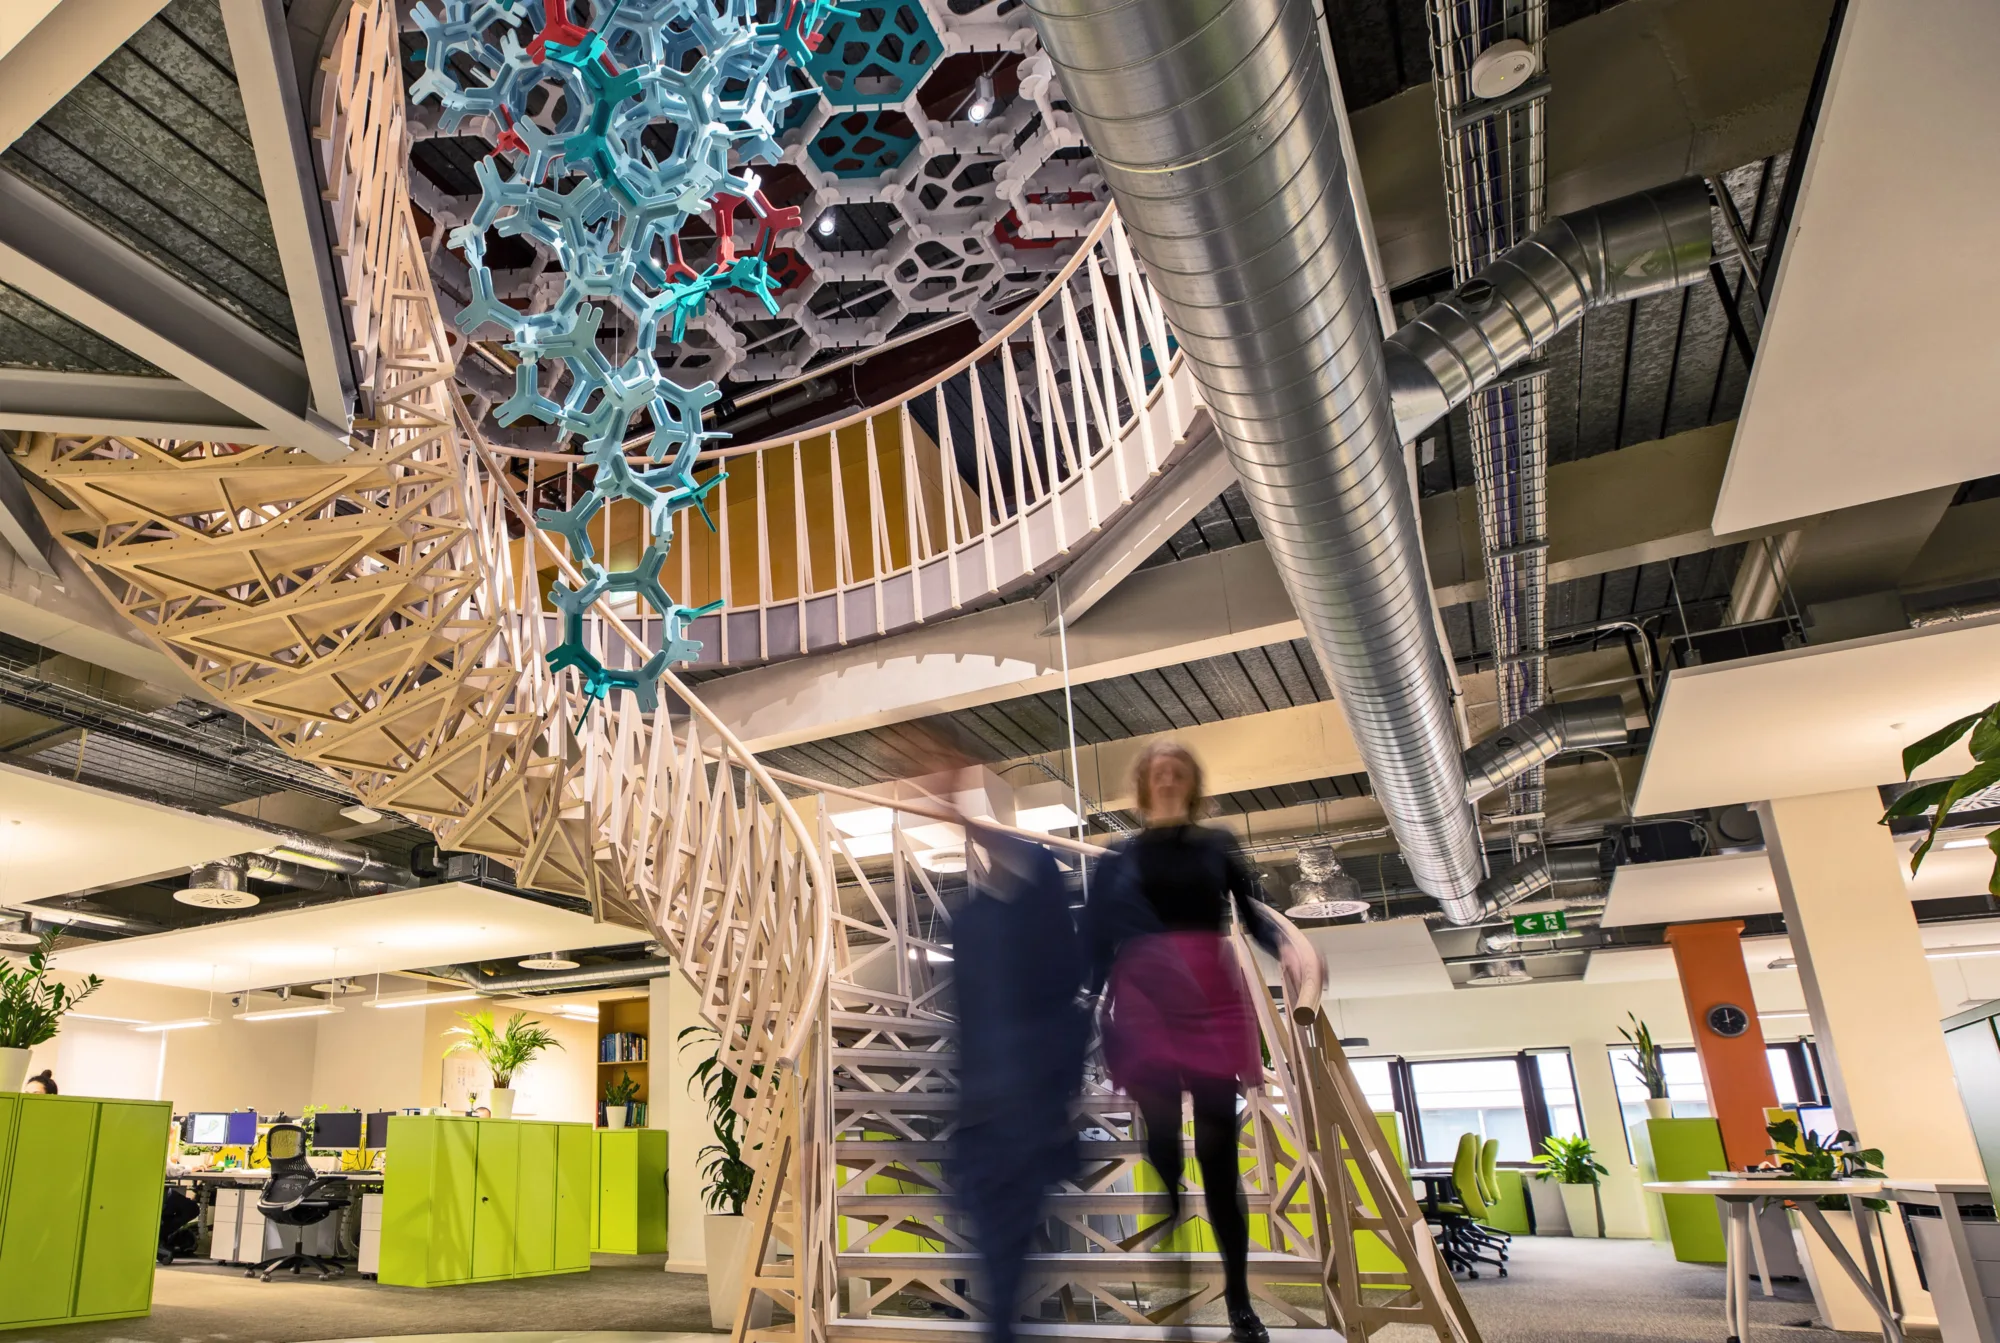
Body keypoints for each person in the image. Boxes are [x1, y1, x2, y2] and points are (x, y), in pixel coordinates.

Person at [1083, 740, 1315, 1343]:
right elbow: (1095, 939)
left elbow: (1253, 913)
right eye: (1156, 773)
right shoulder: (1118, 858)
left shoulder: (1217, 845)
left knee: (1217, 1155)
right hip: (1146, 996)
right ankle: (1171, 1214)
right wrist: (1079, 998)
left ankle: (1239, 1302)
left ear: (1191, 784)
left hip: (1209, 991)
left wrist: (1286, 945)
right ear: (1142, 786)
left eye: (1176, 772)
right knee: (1162, 1136)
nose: (1165, 780)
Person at [951, 824, 1088, 1343]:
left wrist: (967, 815)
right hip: (985, 1121)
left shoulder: (1040, 934)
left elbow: (1039, 870)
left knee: (1004, 1273)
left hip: (1025, 1117)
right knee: (1000, 1270)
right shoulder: (971, 924)